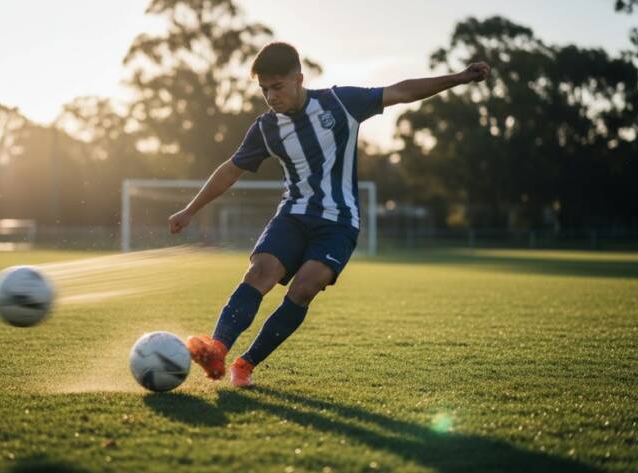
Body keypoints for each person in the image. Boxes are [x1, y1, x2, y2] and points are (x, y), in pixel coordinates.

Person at [168, 42, 490, 387]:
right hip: (293, 214)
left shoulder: (340, 103)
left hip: (339, 221)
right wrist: (191, 210)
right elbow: (231, 170)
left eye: (277, 87)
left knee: (306, 286)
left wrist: (458, 78)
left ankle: (246, 363)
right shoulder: (266, 128)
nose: (271, 96)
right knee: (261, 271)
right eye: (264, 90)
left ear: (299, 79)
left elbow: (400, 91)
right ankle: (217, 349)